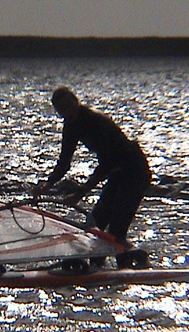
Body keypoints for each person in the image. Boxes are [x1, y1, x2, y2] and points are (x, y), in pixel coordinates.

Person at [32, 86, 151, 253]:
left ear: (76, 102)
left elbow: (106, 163)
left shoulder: (95, 121)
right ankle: (95, 265)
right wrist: (47, 184)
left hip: (134, 170)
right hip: (116, 172)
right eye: (62, 110)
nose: (67, 112)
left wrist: (81, 193)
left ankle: (128, 263)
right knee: (96, 223)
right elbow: (65, 162)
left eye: (69, 106)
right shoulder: (71, 126)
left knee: (116, 228)